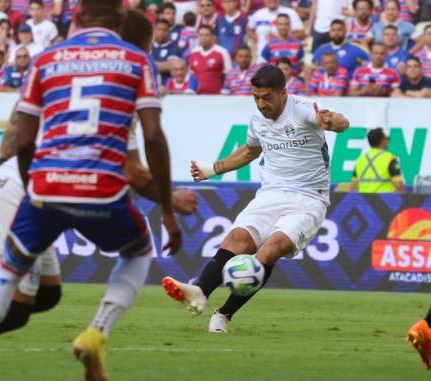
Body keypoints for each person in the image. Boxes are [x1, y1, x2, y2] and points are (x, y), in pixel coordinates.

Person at [0, 2, 182, 381]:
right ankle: (96, 332)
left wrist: (32, 189)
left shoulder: (45, 59)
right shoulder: (137, 60)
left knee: (6, 272)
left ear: (75, 17)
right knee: (138, 252)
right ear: (121, 20)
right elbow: (153, 136)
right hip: (102, 189)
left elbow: (24, 139)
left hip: (46, 184)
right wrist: (168, 210)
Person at [162, 64, 349, 334]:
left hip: (308, 197)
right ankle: (199, 290)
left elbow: (342, 122)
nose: (261, 104)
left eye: (267, 98)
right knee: (237, 239)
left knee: (270, 250)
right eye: (256, 97)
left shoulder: (305, 109)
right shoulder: (257, 119)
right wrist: (213, 169)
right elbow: (250, 151)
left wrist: (333, 122)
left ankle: (224, 314)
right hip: (270, 193)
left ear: (283, 94)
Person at [350, 128, 405, 193]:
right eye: (387, 138)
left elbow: (353, 187)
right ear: (382, 141)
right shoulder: (390, 158)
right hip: (385, 202)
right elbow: (399, 186)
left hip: (364, 202)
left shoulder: (360, 159)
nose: (388, 141)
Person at [188, 24, 232, 94]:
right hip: (198, 96)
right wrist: (191, 89)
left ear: (213, 37)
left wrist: (225, 90)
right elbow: (192, 75)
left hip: (217, 95)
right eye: (201, 35)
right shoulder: (193, 53)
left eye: (207, 35)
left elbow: (229, 74)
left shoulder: (222, 52)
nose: (203, 38)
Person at [152, 18, 182, 85]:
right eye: (158, 29)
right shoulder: (148, 47)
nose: (161, 32)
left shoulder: (175, 48)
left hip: (167, 88)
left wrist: (146, 64)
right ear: (154, 31)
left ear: (169, 32)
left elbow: (171, 66)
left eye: (164, 30)